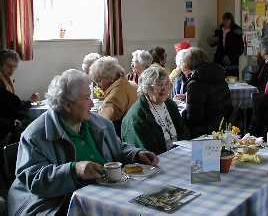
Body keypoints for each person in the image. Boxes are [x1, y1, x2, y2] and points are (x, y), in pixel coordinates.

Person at [7, 69, 158, 215]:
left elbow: (117, 148)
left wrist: (136, 154)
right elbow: (34, 179)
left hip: (103, 195)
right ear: (67, 104)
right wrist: (74, 170)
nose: (92, 104)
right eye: (86, 98)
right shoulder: (36, 134)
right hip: (56, 203)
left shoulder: (98, 123)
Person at [122, 66, 189, 154]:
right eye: (159, 84)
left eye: (167, 84)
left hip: (179, 153)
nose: (164, 89)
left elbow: (183, 132)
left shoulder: (170, 104)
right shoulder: (136, 117)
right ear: (146, 88)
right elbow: (145, 152)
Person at [181, 47, 232, 138]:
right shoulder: (218, 75)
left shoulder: (195, 83)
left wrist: (182, 114)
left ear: (189, 64)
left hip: (203, 132)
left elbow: (193, 118)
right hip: (222, 125)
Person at [89, 56, 138, 136]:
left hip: (126, 137)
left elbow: (101, 125)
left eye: (99, 80)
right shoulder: (132, 84)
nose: (98, 85)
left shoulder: (113, 98)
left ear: (110, 77)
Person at [0, 50, 38, 145]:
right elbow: (15, 106)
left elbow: (12, 102)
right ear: (1, 64)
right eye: (9, 66)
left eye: (14, 67)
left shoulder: (6, 79)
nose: (12, 70)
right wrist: (30, 102)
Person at [213, 12, 244, 77]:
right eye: (224, 20)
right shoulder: (219, 29)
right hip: (220, 57)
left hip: (232, 58)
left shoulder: (237, 29)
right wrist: (212, 40)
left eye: (227, 20)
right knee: (219, 76)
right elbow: (215, 42)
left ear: (231, 20)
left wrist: (232, 57)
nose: (225, 22)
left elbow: (240, 47)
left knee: (231, 77)